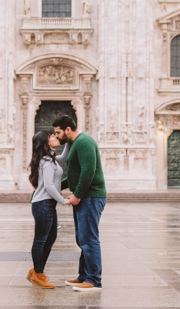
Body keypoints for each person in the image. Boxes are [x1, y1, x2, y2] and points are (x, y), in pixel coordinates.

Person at [53, 114, 106, 293]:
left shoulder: (84, 142)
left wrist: (77, 194)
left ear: (68, 129)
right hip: (86, 196)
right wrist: (55, 187)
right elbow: (74, 176)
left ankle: (93, 280)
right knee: (82, 238)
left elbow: (88, 171)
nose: (57, 136)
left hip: (91, 197)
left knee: (89, 238)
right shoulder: (76, 143)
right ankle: (84, 275)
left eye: (58, 132)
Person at [26, 130, 69, 289]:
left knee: (50, 238)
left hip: (46, 204)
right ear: (45, 142)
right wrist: (63, 200)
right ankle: (38, 273)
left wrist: (69, 140)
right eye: (52, 136)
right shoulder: (47, 161)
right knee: (40, 239)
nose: (55, 137)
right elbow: (49, 185)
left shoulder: (49, 158)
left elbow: (63, 157)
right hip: (43, 203)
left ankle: (36, 270)